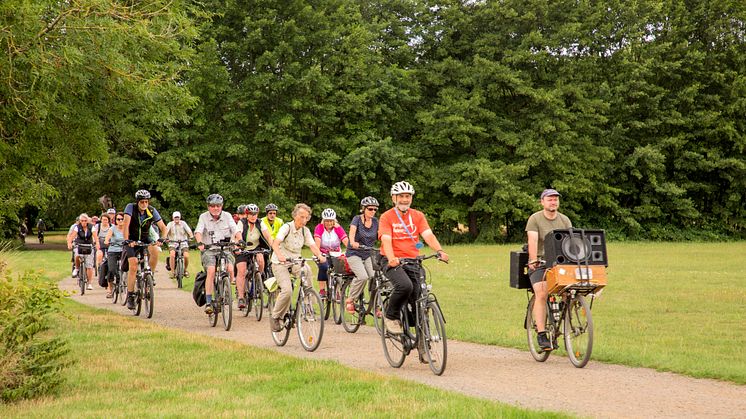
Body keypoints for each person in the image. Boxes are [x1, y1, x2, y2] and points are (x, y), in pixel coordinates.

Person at [379, 181, 449, 349]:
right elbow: (386, 240)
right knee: (404, 286)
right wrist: (391, 257)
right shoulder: (386, 217)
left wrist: (439, 250)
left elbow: (428, 235)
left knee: (418, 295)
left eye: (408, 196)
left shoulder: (417, 216)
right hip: (392, 260)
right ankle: (391, 316)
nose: (405, 199)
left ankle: (419, 339)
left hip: (412, 260)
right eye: (401, 196)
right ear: (393, 198)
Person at [526, 188, 572, 351]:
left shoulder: (565, 220)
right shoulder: (535, 219)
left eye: (555, 199)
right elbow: (532, 240)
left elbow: (570, 242)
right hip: (540, 262)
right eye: (550, 199)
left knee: (572, 290)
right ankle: (541, 333)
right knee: (542, 293)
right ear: (542, 202)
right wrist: (533, 260)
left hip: (559, 263)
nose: (553, 202)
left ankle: (562, 323)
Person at [269, 203, 326, 332]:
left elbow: (312, 246)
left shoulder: (305, 231)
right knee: (287, 290)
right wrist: (279, 255)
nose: (304, 220)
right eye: (301, 217)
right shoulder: (286, 227)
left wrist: (320, 256)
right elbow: (275, 243)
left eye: (306, 218)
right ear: (295, 216)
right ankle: (276, 316)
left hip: (296, 260)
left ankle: (308, 303)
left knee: (307, 270)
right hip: (280, 263)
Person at [194, 194, 241, 315]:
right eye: (213, 206)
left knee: (231, 269)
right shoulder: (203, 217)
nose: (216, 208)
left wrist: (239, 241)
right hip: (209, 249)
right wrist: (200, 243)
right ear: (208, 207)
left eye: (218, 206)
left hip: (225, 249)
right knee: (211, 271)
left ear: (222, 206)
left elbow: (235, 230)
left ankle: (227, 292)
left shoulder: (227, 216)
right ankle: (209, 301)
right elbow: (198, 231)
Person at [122, 190, 168, 310]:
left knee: (155, 251)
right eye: (142, 202)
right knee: (133, 265)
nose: (144, 204)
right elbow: (126, 225)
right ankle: (131, 295)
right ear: (138, 202)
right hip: (132, 239)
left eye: (146, 202)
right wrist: (127, 240)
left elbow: (163, 227)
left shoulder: (151, 210)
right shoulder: (130, 208)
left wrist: (162, 238)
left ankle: (150, 274)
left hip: (145, 237)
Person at [344, 196, 380, 313]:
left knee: (375, 277)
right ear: (363, 209)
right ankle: (350, 299)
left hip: (368, 253)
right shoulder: (357, 219)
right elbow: (352, 232)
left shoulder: (375, 222)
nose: (373, 212)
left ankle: (376, 304)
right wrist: (353, 242)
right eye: (370, 209)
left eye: (375, 209)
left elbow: (381, 235)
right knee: (363, 276)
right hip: (354, 253)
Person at [235, 203, 272, 309]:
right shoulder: (242, 223)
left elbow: (267, 236)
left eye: (255, 214)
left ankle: (258, 280)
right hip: (242, 248)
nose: (253, 216)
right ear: (247, 214)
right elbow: (238, 234)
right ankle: (241, 298)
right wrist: (238, 246)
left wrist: (273, 246)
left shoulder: (260, 223)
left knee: (261, 261)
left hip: (256, 248)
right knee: (241, 270)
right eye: (251, 214)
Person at [313, 208, 349, 298]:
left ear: (334, 221)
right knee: (323, 267)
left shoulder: (338, 228)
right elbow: (317, 243)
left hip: (336, 253)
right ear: (323, 221)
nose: (329, 223)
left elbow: (346, 242)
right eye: (327, 221)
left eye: (331, 221)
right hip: (323, 253)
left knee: (339, 270)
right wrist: (318, 255)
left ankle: (337, 291)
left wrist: (350, 251)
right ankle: (322, 290)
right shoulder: (319, 228)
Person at [66, 213, 99, 290]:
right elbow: (72, 236)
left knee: (89, 265)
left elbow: (95, 237)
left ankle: (89, 283)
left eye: (85, 221)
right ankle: (77, 268)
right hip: (79, 245)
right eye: (82, 221)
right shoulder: (77, 227)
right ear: (80, 221)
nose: (84, 222)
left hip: (89, 245)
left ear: (87, 221)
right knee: (77, 255)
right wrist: (69, 243)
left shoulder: (92, 227)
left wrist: (97, 243)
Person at [165, 211, 194, 278]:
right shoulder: (170, 224)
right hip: (173, 243)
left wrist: (191, 236)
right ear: (173, 218)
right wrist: (165, 238)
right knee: (172, 255)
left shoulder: (183, 223)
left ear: (180, 217)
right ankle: (172, 272)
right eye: (175, 217)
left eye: (178, 217)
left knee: (186, 256)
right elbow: (166, 232)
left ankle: (185, 270)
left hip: (183, 242)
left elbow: (189, 231)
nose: (176, 219)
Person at [104, 212, 126, 298]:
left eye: (122, 219)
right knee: (112, 269)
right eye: (118, 219)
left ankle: (126, 285)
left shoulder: (127, 228)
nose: (120, 221)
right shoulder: (112, 228)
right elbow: (107, 237)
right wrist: (106, 241)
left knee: (127, 268)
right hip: (113, 250)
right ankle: (109, 289)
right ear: (115, 220)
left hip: (124, 250)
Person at [94, 213, 112, 286]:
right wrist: (96, 242)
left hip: (109, 244)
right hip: (100, 243)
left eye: (106, 220)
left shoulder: (111, 227)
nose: (104, 221)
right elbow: (94, 235)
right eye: (103, 219)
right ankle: (99, 268)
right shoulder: (97, 226)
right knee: (99, 255)